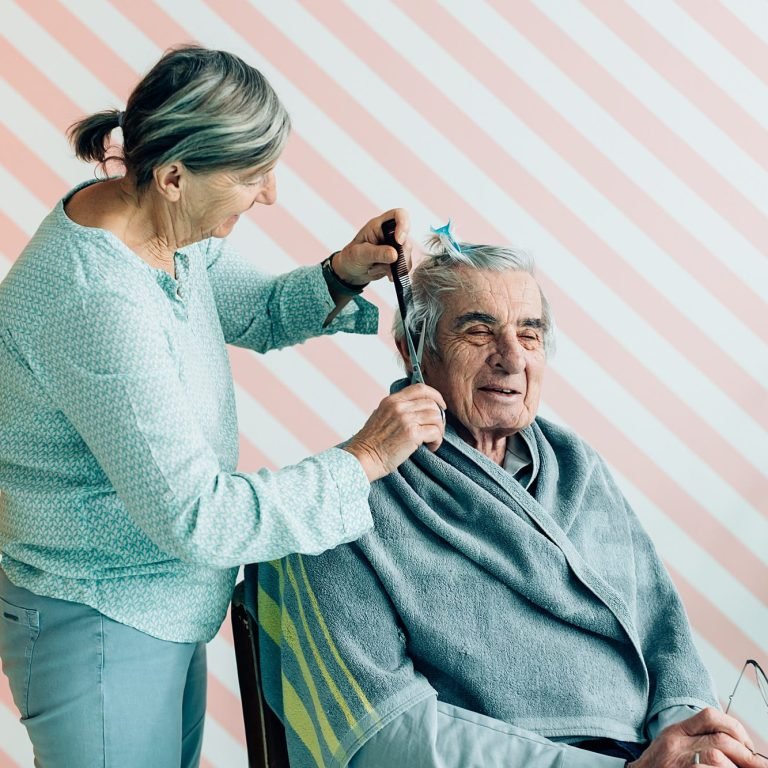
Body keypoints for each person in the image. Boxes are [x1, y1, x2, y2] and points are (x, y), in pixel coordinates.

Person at [0, 46, 446, 768]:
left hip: (156, 604)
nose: (270, 194)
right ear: (175, 176)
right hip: (101, 619)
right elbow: (199, 518)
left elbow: (260, 311)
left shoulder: (156, 225)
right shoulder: (96, 301)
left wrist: (342, 273)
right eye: (252, 175)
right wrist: (362, 458)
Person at [255, 227, 765, 768]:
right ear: (411, 347)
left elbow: (667, 637)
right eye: (478, 331)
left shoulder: (576, 467)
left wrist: (689, 743)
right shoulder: (334, 506)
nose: (512, 358)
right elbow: (385, 736)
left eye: (530, 334)